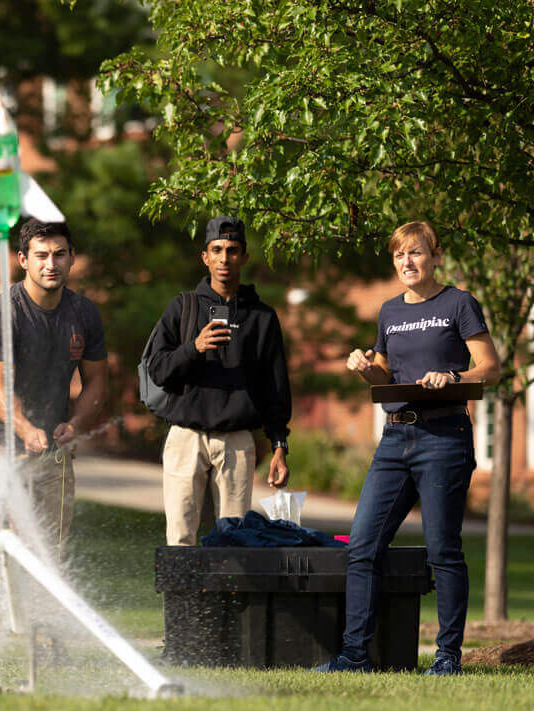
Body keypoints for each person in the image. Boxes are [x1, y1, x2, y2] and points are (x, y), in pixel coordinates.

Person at [316, 221, 500, 675]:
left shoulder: (458, 303)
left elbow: (491, 368)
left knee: (443, 550)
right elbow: (385, 378)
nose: (407, 262)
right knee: (362, 545)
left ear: (435, 256)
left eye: (416, 253)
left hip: (444, 438)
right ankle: (355, 656)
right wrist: (363, 367)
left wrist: (454, 377)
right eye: (399, 255)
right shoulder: (389, 312)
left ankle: (446, 657)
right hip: (395, 438)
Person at [0, 218, 108, 660]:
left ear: (71, 257)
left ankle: (45, 639)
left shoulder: (84, 313)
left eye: (59, 254)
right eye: (41, 255)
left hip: (51, 450)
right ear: (22, 260)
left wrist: (74, 424)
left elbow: (96, 383)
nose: (51, 263)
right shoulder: (1, 312)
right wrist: (24, 427)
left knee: (48, 548)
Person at [148, 216, 292, 547]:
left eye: (232, 250)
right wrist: (194, 348)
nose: (224, 258)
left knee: (235, 541)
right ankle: (182, 601)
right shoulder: (182, 307)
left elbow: (276, 388)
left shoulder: (262, 317)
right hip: (186, 437)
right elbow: (157, 370)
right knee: (180, 537)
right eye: (217, 250)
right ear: (205, 257)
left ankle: (227, 601)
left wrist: (279, 446)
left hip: (237, 441)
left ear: (244, 256)